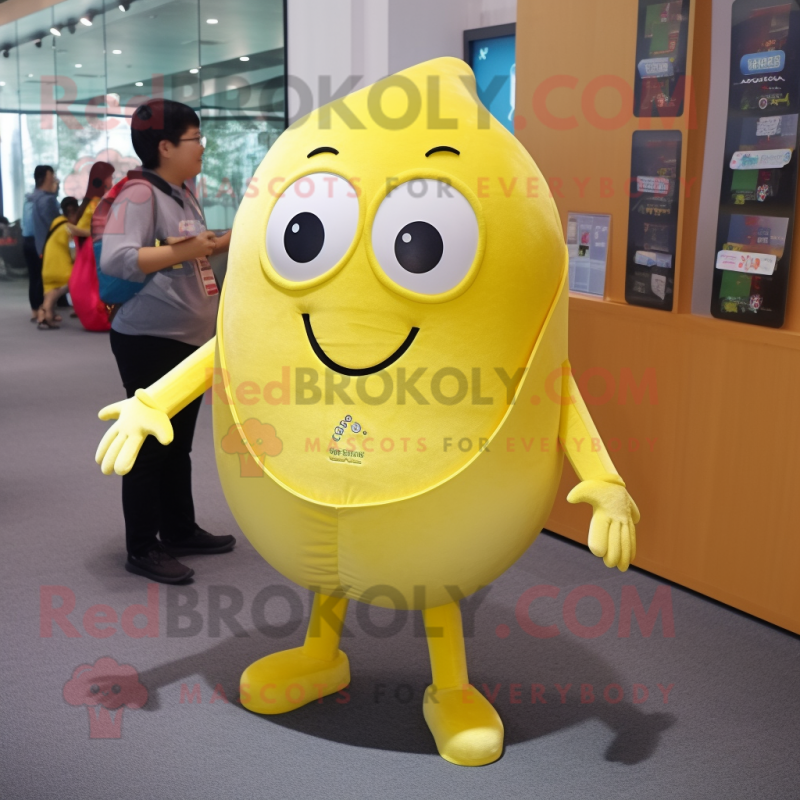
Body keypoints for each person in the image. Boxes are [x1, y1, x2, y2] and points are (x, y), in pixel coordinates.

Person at [100, 99, 234, 584]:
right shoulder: (138, 195)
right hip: (150, 339)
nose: (202, 147)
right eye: (195, 138)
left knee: (177, 444)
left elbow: (189, 252)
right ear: (165, 146)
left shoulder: (179, 192)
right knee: (152, 445)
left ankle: (179, 530)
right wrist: (188, 248)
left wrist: (219, 242)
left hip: (188, 339)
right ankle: (142, 547)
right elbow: (119, 260)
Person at [38, 197, 84, 329]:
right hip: (61, 269)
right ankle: (48, 316)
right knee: (65, 287)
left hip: (47, 268)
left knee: (50, 294)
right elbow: (73, 252)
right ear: (75, 212)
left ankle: (44, 316)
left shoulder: (56, 223)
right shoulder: (69, 229)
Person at [23, 166, 59, 322]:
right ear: (46, 176)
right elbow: (53, 222)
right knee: (43, 277)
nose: (54, 178)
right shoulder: (46, 199)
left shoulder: (30, 197)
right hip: (41, 241)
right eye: (52, 174)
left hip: (27, 240)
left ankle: (35, 310)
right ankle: (44, 311)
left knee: (34, 276)